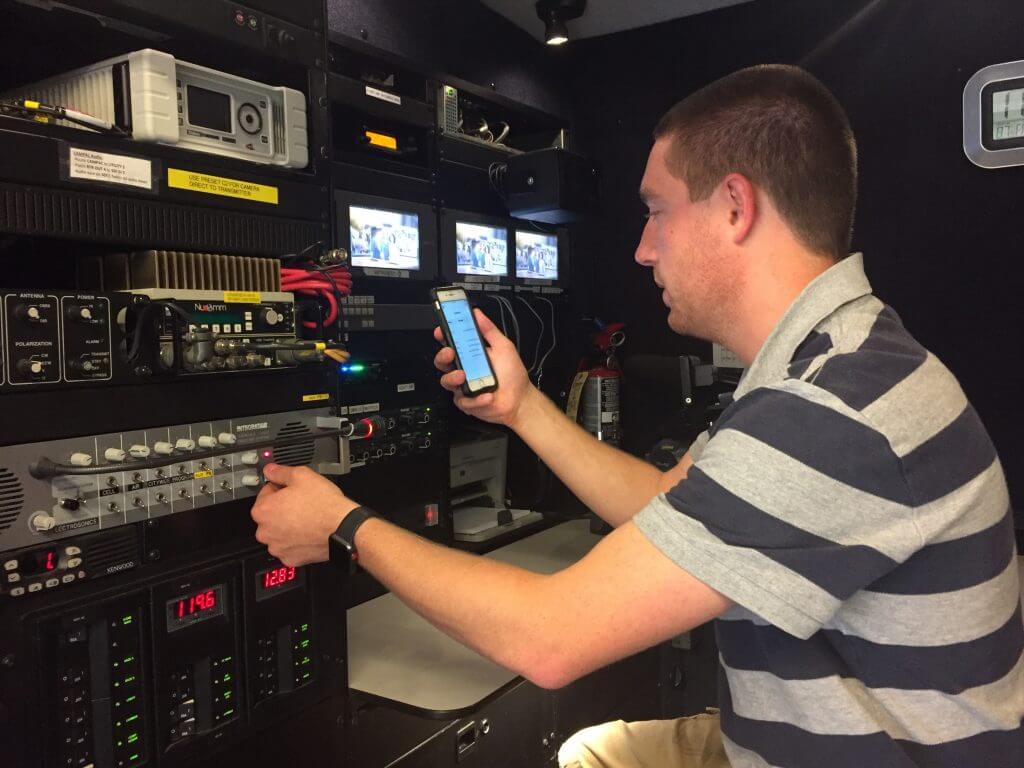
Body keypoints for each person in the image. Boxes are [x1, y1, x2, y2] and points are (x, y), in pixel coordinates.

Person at [250, 65, 1022, 768]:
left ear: (734, 207)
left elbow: (549, 638)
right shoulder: (828, 361)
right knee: (594, 753)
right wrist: (522, 408)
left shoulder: (830, 409)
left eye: (656, 212)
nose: (643, 250)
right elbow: (665, 505)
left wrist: (343, 526)